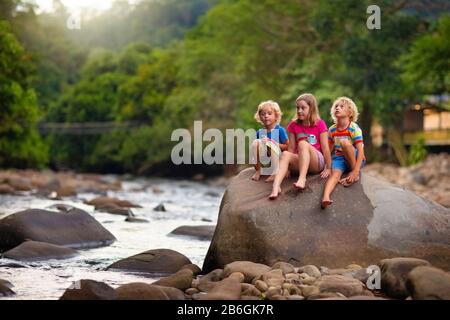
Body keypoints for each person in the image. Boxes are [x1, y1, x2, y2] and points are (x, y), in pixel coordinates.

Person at [269, 93, 331, 199]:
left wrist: (329, 167)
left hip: (316, 161)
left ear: (311, 109)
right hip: (301, 160)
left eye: (303, 108)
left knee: (302, 143)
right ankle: (276, 187)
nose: (299, 111)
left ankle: (302, 179)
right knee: (285, 154)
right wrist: (287, 167)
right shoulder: (293, 125)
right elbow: (291, 148)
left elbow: (325, 147)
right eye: (298, 108)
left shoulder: (319, 124)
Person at [321, 96, 366, 209]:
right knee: (334, 175)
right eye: (336, 106)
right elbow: (329, 149)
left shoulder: (354, 128)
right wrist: (327, 166)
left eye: (341, 106)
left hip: (355, 158)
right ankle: (325, 197)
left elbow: (361, 150)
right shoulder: (331, 130)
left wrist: (355, 171)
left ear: (350, 112)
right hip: (339, 158)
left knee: (345, 143)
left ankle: (353, 172)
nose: (337, 108)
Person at [251, 100, 289, 182]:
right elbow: (255, 150)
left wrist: (273, 143)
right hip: (266, 161)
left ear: (276, 116)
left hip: (278, 160)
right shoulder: (259, 132)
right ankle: (258, 170)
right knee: (255, 142)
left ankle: (276, 172)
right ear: (259, 117)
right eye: (263, 114)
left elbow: (288, 147)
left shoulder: (280, 130)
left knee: (270, 144)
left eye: (269, 113)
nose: (266, 116)